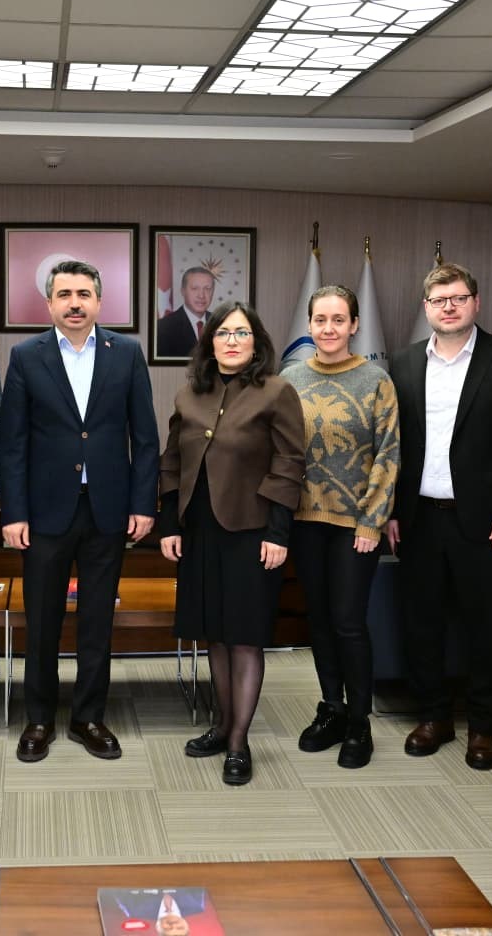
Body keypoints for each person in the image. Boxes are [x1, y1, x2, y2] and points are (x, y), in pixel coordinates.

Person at [0, 259, 158, 764]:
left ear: (98, 301)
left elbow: (146, 438)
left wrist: (142, 503)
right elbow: (12, 443)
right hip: (44, 514)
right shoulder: (27, 356)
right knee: (41, 621)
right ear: (48, 303)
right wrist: (14, 513)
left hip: (108, 511)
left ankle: (89, 717)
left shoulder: (127, 353)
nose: (74, 302)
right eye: (64, 294)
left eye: (84, 294)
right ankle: (39, 717)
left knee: (97, 623)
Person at [386, 264, 492, 771]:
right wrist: (389, 510)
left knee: (487, 627)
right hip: (418, 518)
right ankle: (433, 716)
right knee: (422, 624)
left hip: (487, 522)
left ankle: (483, 727)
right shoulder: (404, 363)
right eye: (438, 299)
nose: (448, 306)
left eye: (458, 297)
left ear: (476, 302)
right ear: (426, 308)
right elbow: (393, 446)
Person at [160, 301, 304, 785]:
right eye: (224, 333)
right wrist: (170, 525)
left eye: (242, 333)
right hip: (199, 532)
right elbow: (171, 463)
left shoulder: (277, 392)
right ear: (210, 341)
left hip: (253, 533)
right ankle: (221, 726)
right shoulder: (189, 394)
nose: (232, 341)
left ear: (256, 341)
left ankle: (239, 741)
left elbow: (289, 464)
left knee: (244, 638)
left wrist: (279, 534)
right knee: (214, 635)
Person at [285, 284, 399, 769]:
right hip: (304, 522)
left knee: (349, 622)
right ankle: (331, 708)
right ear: (309, 325)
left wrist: (372, 521)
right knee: (319, 619)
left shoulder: (376, 380)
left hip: (357, 526)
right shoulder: (289, 379)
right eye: (320, 320)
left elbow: (388, 455)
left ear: (354, 325)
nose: (328, 329)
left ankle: (359, 722)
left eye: (338, 320)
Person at [156, 267, 216, 357]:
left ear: (213, 291)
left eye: (207, 288)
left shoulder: (221, 324)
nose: (201, 295)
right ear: (183, 291)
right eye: (195, 288)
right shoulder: (163, 328)